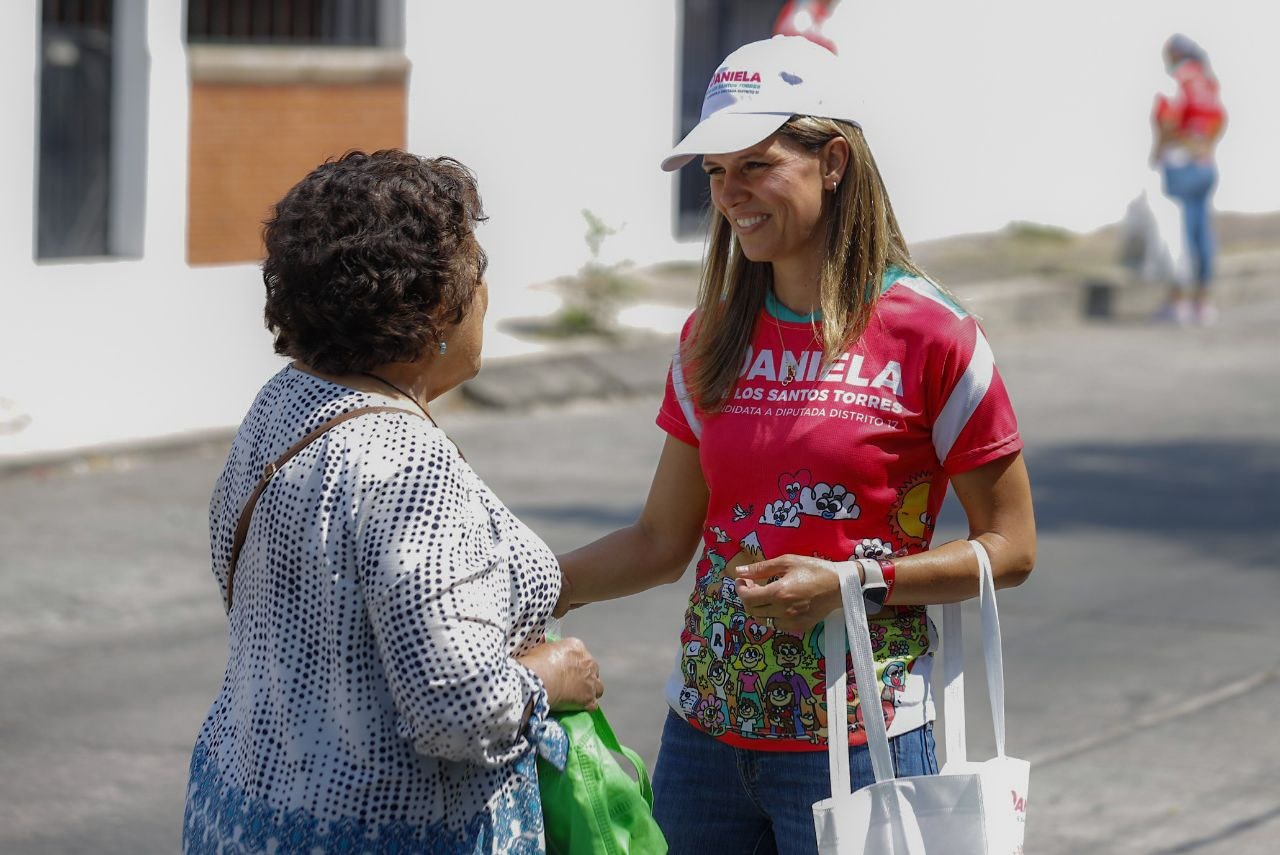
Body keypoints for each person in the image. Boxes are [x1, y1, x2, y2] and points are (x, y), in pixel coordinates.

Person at [554, 36, 1036, 854]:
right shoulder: (709, 337)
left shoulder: (935, 334)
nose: (729, 192)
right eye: (716, 172)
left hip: (864, 740)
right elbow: (661, 540)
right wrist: (528, 589)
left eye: (755, 164)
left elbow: (1011, 548)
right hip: (704, 737)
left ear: (833, 160)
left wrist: (855, 582)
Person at [182, 150, 604, 854]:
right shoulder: (408, 462)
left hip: (242, 807)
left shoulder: (284, 402)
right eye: (477, 268)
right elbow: (460, 710)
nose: (486, 293)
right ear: (437, 305)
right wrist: (549, 678)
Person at [1151, 33, 1226, 326]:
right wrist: (1206, 145)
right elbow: (1220, 119)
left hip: (1180, 165)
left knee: (1178, 233)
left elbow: (1167, 120)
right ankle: (1202, 302)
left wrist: (1160, 149)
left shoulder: (1176, 81)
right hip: (1205, 165)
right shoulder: (1207, 81)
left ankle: (1178, 301)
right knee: (1201, 232)